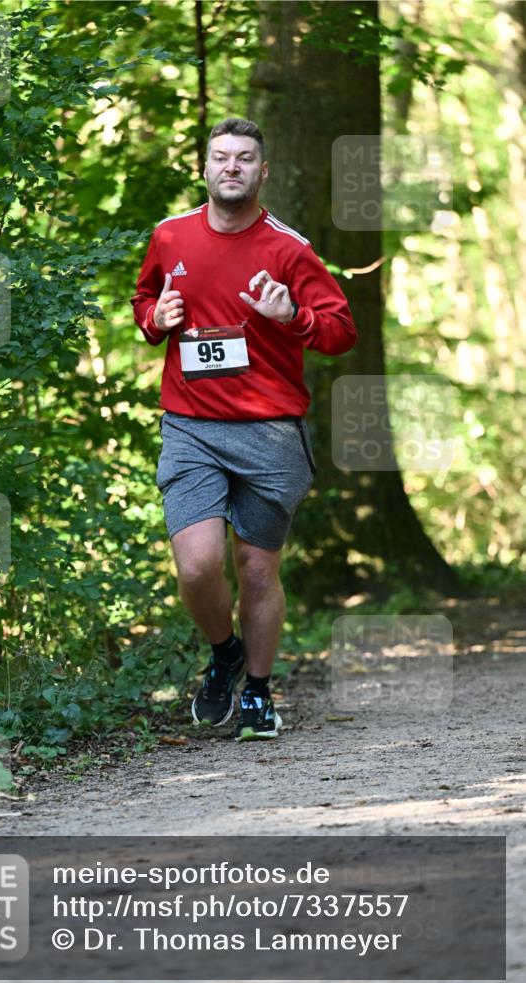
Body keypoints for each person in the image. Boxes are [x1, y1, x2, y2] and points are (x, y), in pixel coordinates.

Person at [131, 117, 357, 742]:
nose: (231, 166)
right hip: (192, 427)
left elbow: (341, 332)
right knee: (197, 567)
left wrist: (294, 315)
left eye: (245, 158)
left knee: (257, 570)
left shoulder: (289, 249)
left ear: (263, 171)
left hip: (269, 431)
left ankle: (257, 689)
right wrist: (156, 318)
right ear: (205, 169)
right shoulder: (170, 236)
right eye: (221, 156)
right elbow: (144, 303)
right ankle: (224, 651)